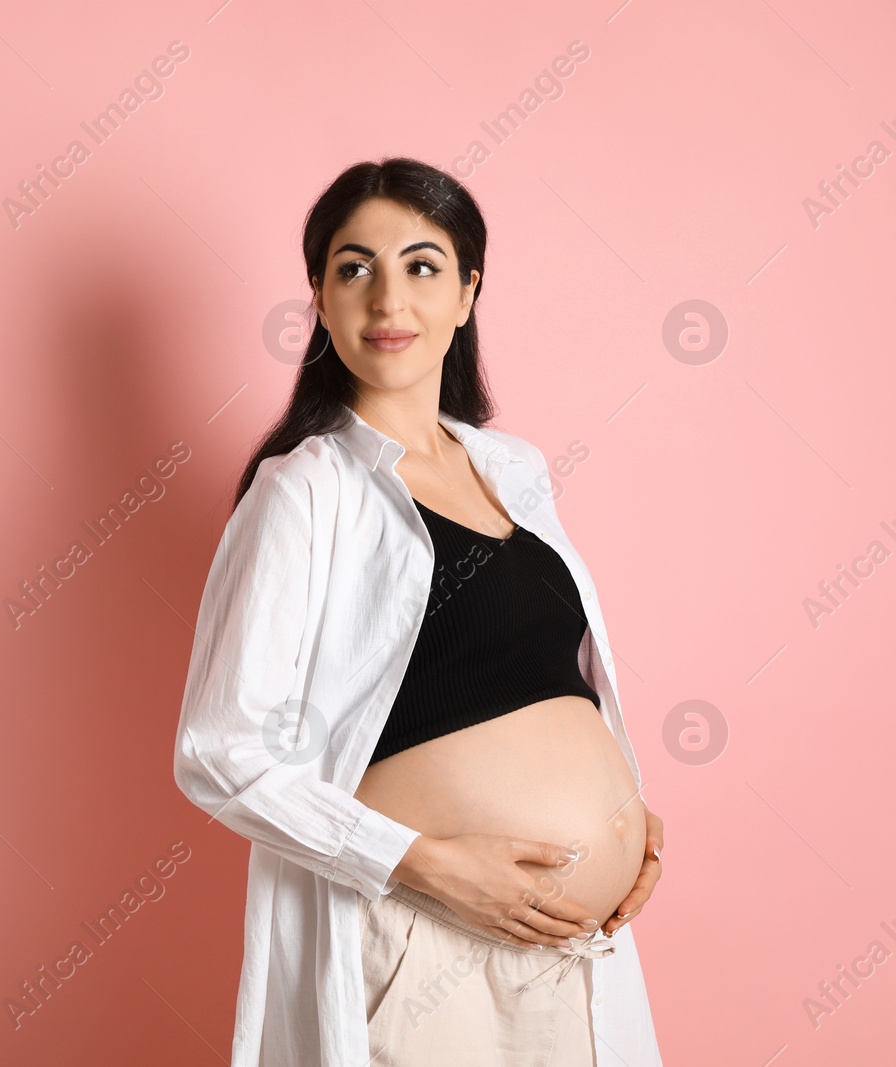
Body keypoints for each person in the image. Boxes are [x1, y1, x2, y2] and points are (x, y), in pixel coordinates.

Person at [173, 158, 664, 1066]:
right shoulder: (305, 492)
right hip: (424, 944)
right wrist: (426, 863)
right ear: (319, 296)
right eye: (354, 267)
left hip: (575, 956)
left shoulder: (513, 470)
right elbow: (219, 751)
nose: (387, 297)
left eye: (423, 264)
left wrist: (628, 815)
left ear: (470, 290)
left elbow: (547, 673)